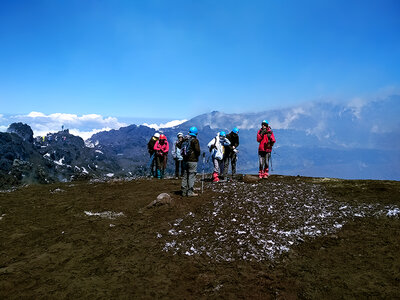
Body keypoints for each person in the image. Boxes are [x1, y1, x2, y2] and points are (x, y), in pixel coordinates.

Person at [180, 127, 201, 197]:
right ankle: (190, 192)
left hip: (185, 160)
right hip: (192, 160)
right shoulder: (195, 140)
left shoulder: (185, 140)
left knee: (185, 175)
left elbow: (179, 146)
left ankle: (183, 191)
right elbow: (197, 151)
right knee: (191, 175)